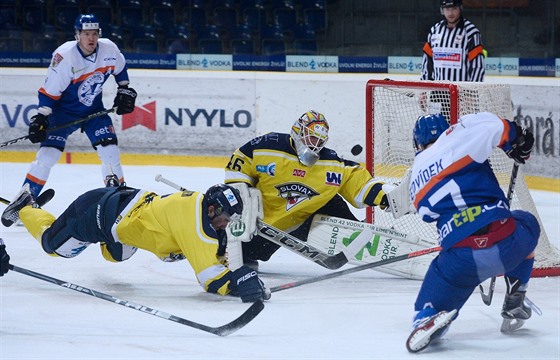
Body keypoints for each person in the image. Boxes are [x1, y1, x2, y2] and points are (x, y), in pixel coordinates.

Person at [396, 112, 539, 352]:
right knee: (527, 223)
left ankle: (427, 317)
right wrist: (517, 140)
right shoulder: (458, 136)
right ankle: (516, 296)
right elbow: (496, 127)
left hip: (461, 258)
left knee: (437, 277)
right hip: (506, 241)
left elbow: (427, 214)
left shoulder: (416, 176)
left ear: (417, 143)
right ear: (447, 129)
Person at [1, 182, 270, 303]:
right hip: (98, 214)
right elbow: (210, 278)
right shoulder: (195, 220)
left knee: (118, 255)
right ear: (211, 210)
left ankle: (105, 238)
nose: (225, 224)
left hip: (126, 212)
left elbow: (215, 254)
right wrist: (238, 283)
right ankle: (26, 206)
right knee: (54, 247)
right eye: (223, 218)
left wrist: (240, 273)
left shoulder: (202, 211)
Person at [224, 110, 389, 268]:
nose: (315, 145)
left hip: (305, 219)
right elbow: (240, 161)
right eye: (311, 138)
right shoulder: (267, 146)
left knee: (329, 198)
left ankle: (356, 233)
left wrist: (384, 195)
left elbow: (354, 178)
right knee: (250, 250)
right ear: (298, 131)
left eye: (319, 141)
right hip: (266, 227)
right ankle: (241, 252)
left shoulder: (329, 162)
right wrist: (242, 196)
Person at [23, 14, 137, 199]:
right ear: (77, 35)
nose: (91, 38)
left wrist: (124, 88)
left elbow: (120, 68)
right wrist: (41, 116)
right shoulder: (64, 56)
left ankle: (117, 198)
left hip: (93, 111)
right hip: (63, 113)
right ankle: (26, 197)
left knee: (110, 151)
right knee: (47, 155)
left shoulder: (109, 49)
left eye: (94, 33)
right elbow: (49, 92)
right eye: (86, 34)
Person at [421, 0, 485, 82]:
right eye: (447, 9)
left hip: (462, 91)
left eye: (454, 8)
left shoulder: (471, 32)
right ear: (442, 10)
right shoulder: (434, 30)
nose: (450, 13)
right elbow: (427, 62)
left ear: (460, 8)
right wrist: (425, 86)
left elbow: (478, 66)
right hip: (437, 92)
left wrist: (472, 91)